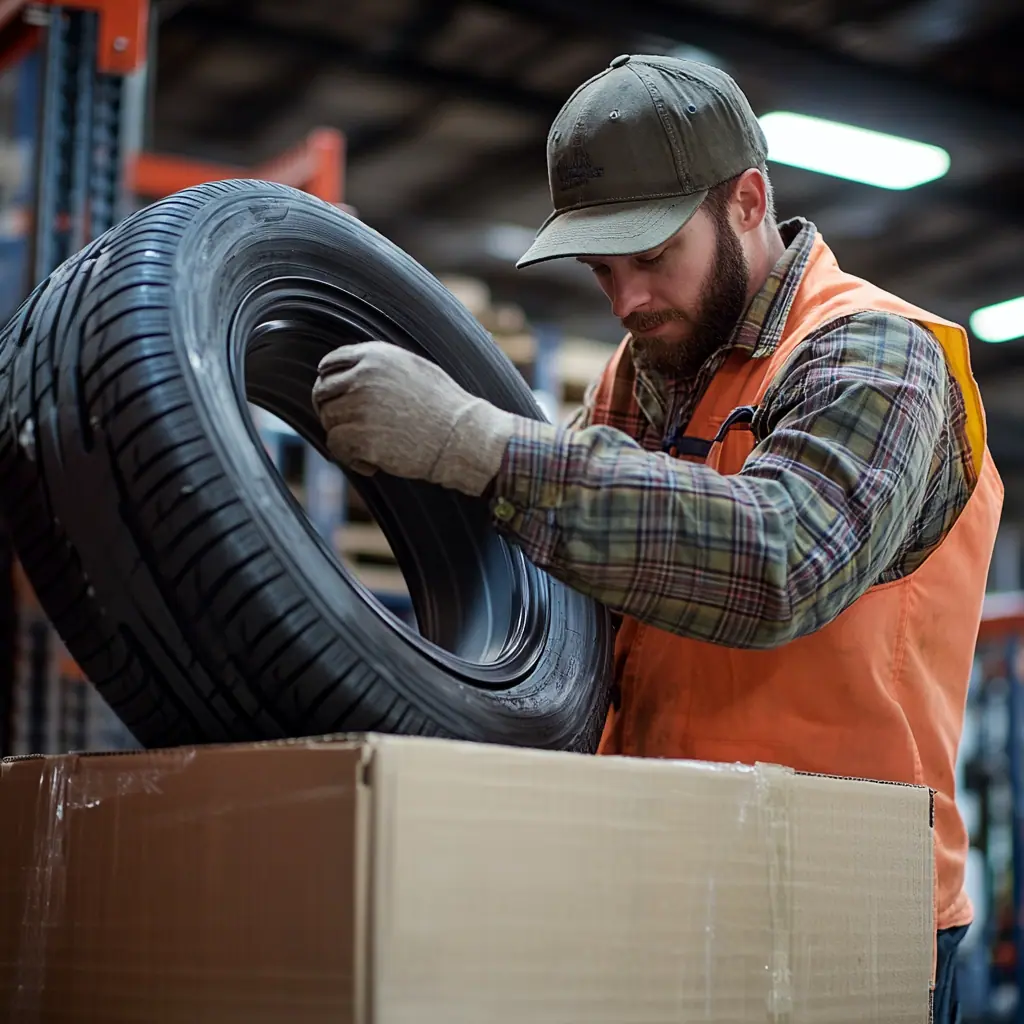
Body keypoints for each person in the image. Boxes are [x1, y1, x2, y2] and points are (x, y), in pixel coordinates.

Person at [311, 54, 1002, 1021]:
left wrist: (478, 445)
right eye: (602, 270)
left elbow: (781, 562)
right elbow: (559, 595)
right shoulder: (637, 378)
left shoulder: (879, 354)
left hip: (842, 901)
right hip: (664, 865)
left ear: (749, 202)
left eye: (652, 256)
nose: (627, 300)